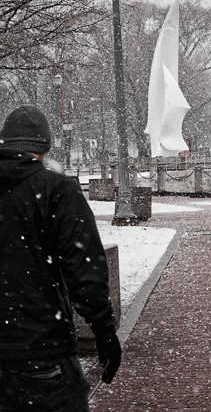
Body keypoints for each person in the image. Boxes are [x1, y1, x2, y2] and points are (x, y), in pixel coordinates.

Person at [0, 105, 120, 411]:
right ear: (44, 148)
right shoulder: (56, 190)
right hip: (40, 347)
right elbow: (83, 268)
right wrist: (104, 330)